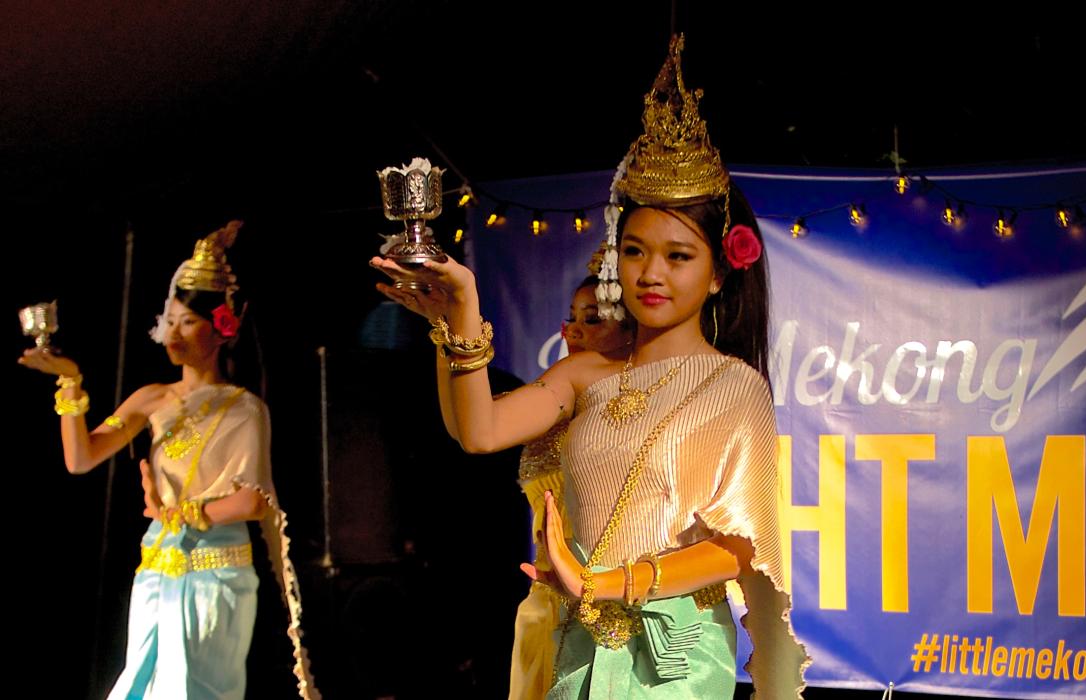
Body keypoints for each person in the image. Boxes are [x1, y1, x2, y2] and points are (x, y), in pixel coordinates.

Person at [372, 35, 808, 699]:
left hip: (679, 660)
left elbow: (739, 547)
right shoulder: (585, 375)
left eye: (678, 257)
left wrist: (608, 583)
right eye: (635, 251)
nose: (651, 274)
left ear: (721, 271)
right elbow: (478, 430)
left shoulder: (733, 387)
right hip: (582, 641)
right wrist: (454, 316)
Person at [19, 221, 318, 699]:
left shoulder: (244, 409)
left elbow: (252, 501)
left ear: (222, 328)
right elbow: (80, 458)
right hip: (157, 569)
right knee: (143, 686)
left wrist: (183, 513)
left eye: (189, 322)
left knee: (197, 690)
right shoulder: (151, 399)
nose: (175, 332)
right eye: (172, 319)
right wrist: (70, 383)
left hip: (215, 577)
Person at [377, 274, 633, 698]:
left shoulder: (629, 412)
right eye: (571, 318)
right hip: (546, 600)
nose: (574, 331)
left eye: (593, 318)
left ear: (632, 329)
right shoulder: (555, 399)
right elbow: (468, 430)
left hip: (607, 601)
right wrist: (448, 330)